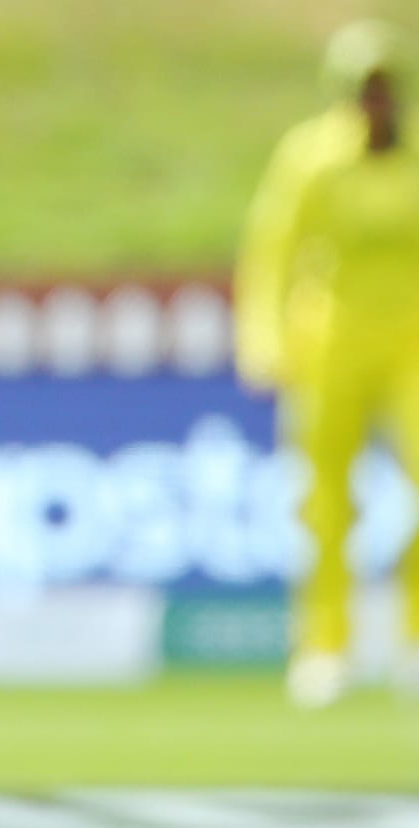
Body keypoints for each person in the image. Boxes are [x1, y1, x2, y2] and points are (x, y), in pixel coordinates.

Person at [234, 19, 419, 710]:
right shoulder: (311, 158)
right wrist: (266, 340)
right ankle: (326, 646)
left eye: (384, 88)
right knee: (327, 506)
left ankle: (414, 641)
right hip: (332, 342)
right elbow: (274, 249)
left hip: (411, 345)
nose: (375, 101)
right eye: (363, 89)